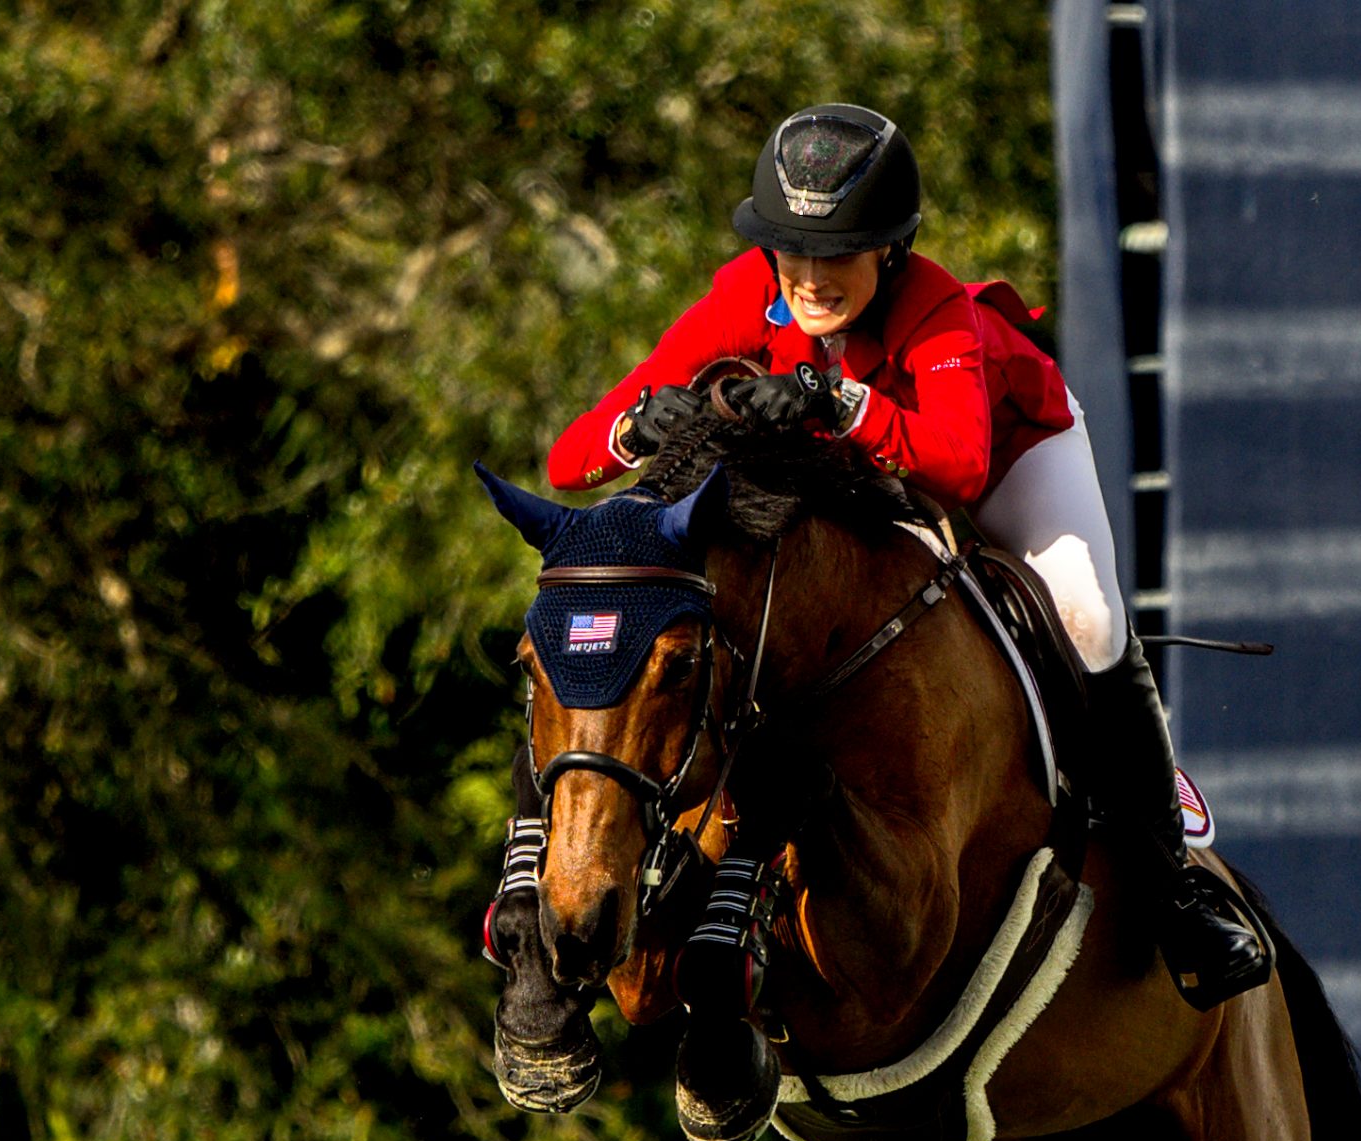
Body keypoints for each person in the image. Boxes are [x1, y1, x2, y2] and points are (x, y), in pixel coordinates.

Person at [543, 101, 1273, 1013]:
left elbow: (960, 464)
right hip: (866, 490)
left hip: (1012, 454)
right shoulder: (742, 296)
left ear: (888, 250)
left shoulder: (935, 308)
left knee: (1087, 617)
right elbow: (566, 458)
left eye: (837, 251)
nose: (809, 278)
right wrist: (630, 427)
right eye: (791, 251)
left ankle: (1175, 882)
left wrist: (838, 404)